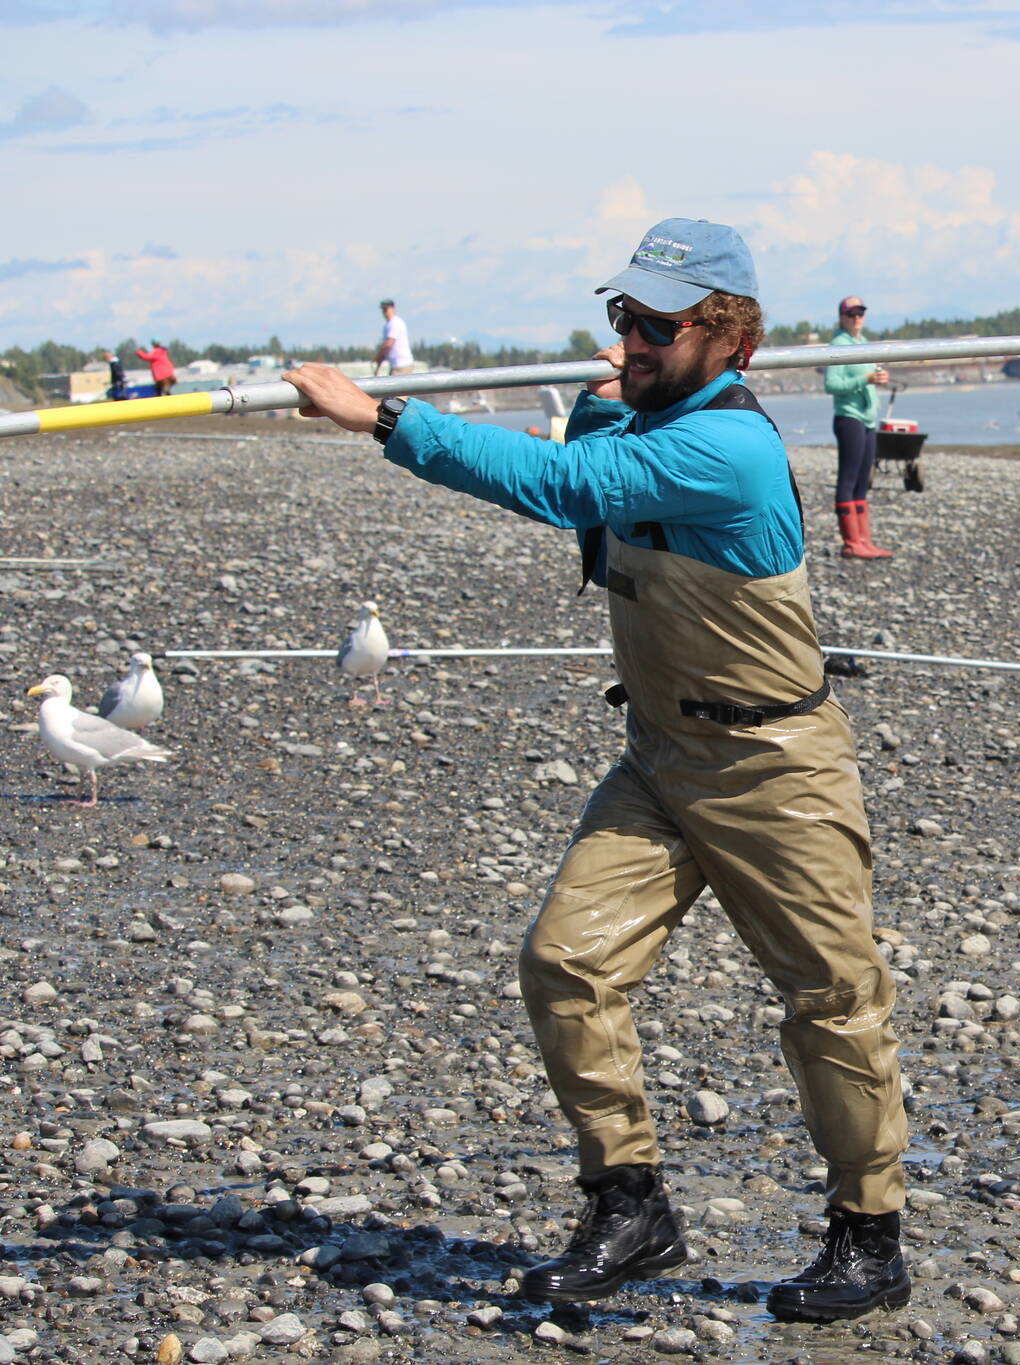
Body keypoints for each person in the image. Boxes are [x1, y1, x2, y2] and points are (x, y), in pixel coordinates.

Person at [280, 218, 910, 1325]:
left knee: (832, 1001)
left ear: (732, 339)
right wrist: (614, 385)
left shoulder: (731, 449)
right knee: (564, 964)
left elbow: (564, 487)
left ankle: (869, 1236)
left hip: (776, 769)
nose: (632, 340)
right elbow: (590, 457)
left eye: (657, 325)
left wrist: (378, 415)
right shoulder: (640, 410)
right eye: (621, 319)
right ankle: (630, 1203)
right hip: (663, 756)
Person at [823, 296, 892, 558]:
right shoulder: (838, 344)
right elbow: (832, 385)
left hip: (868, 418)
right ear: (841, 317)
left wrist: (878, 379)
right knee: (848, 479)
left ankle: (865, 540)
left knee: (864, 480)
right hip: (848, 417)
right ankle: (851, 542)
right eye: (851, 313)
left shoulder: (862, 343)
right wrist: (866, 379)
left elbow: (869, 377)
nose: (856, 318)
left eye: (860, 312)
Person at [375, 298, 415, 375]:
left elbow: (388, 344)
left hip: (402, 365)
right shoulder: (389, 324)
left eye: (386, 309)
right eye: (383, 309)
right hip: (397, 365)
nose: (384, 311)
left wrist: (378, 357)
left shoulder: (395, 323)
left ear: (393, 308)